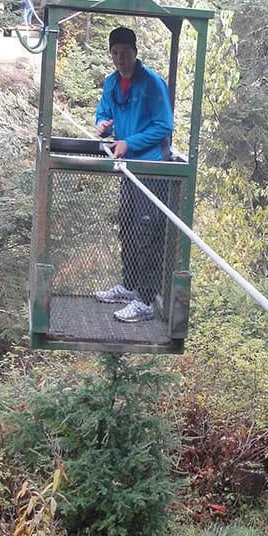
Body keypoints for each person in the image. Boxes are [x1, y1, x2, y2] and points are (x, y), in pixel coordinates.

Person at [93, 26, 174, 323]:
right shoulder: (112, 83)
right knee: (127, 226)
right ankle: (129, 287)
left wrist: (130, 143)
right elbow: (104, 113)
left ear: (135, 53)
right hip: (128, 168)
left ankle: (146, 300)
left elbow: (164, 125)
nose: (119, 59)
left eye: (124, 53)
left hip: (152, 168)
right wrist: (102, 125)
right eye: (114, 53)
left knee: (149, 233)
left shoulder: (152, 84)